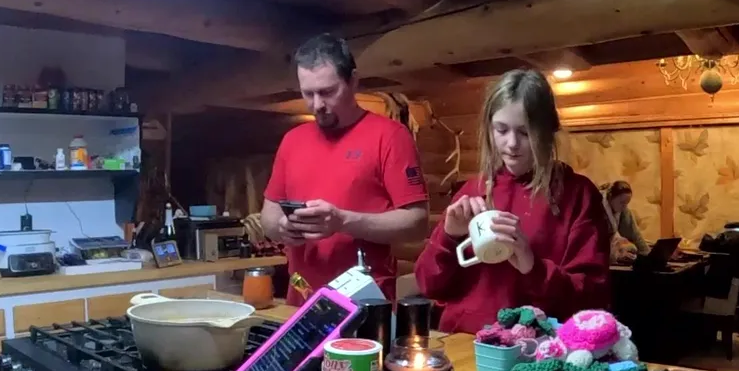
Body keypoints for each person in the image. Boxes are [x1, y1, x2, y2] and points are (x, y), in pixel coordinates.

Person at [414, 69, 611, 334]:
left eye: (525, 132)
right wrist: (447, 238)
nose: (512, 143)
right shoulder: (472, 191)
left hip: (535, 347)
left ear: (548, 131)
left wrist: (533, 267)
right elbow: (429, 286)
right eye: (501, 130)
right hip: (463, 343)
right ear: (489, 129)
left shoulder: (577, 195)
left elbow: (591, 300)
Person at [260, 33, 429, 304]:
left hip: (365, 299)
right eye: (308, 94)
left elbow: (417, 224)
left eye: (327, 92)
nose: (317, 105)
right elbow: (268, 215)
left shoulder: (390, 136)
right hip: (301, 296)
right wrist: (282, 228)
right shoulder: (293, 140)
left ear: (353, 81)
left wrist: (343, 221)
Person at [601, 180, 649, 260]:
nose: (624, 206)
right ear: (610, 197)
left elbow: (636, 236)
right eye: (622, 202)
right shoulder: (596, 209)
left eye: (627, 203)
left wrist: (649, 256)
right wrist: (617, 254)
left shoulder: (624, 212)